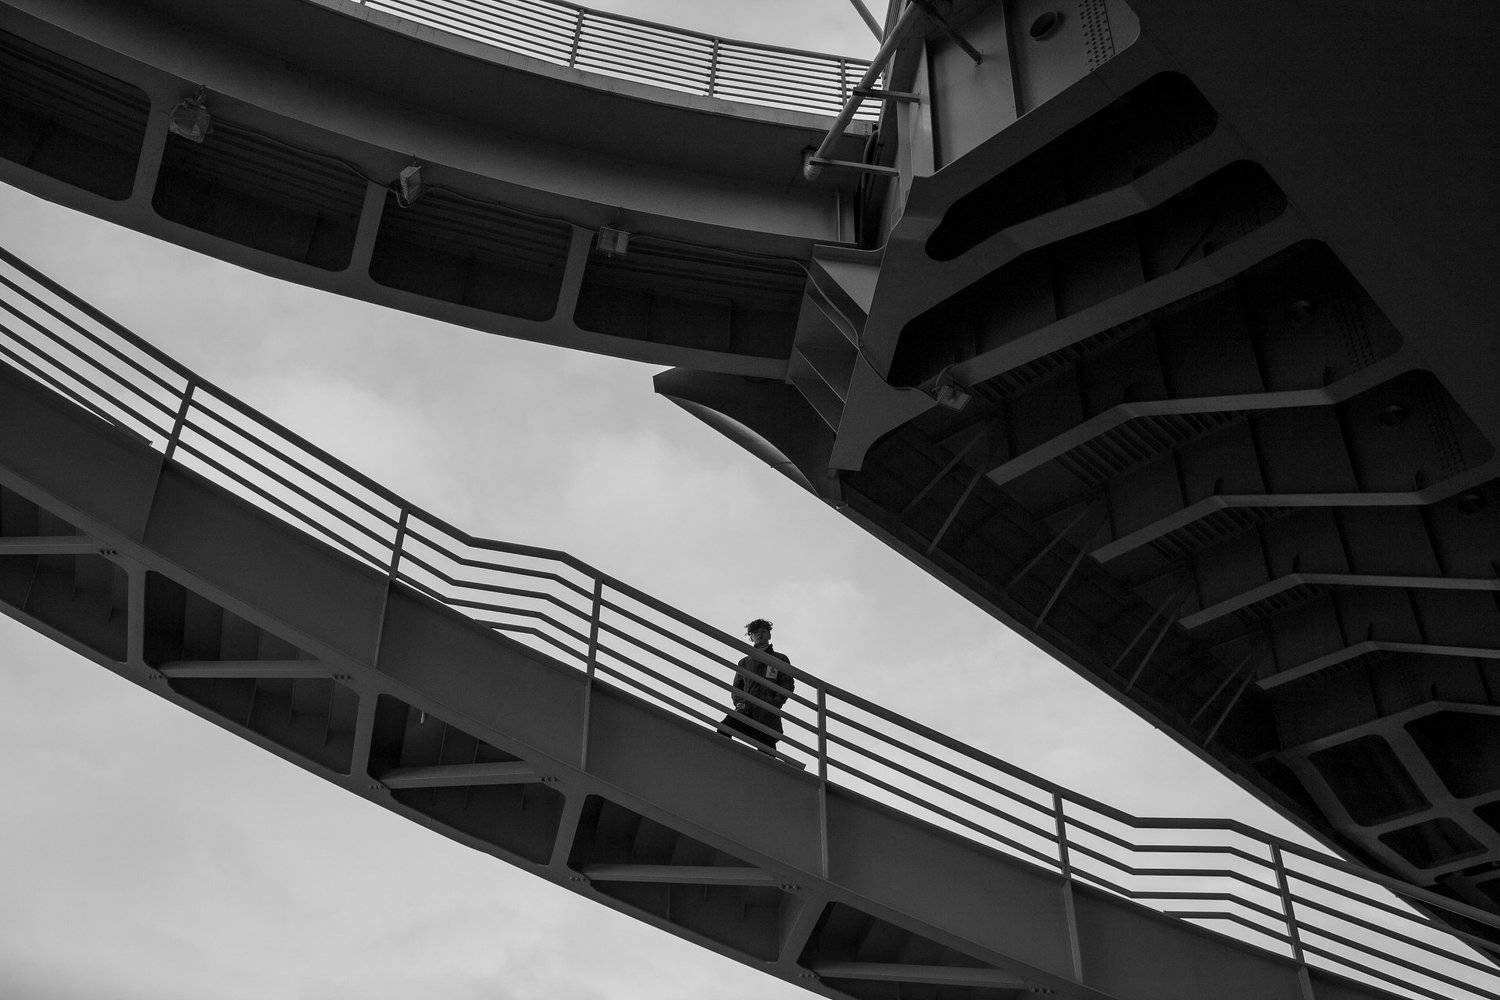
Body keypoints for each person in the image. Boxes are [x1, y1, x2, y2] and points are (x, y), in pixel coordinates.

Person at [719, 618, 794, 755]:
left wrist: (774, 703)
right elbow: (737, 687)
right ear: (751, 637)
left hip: (767, 712)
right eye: (755, 632)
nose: (759, 634)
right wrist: (740, 703)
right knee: (724, 728)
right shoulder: (744, 662)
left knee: (767, 749)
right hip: (746, 709)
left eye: (763, 631)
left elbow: (787, 684)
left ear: (769, 635)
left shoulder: (780, 659)